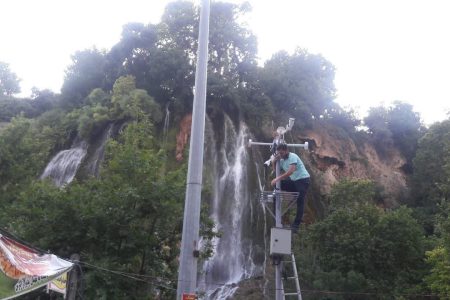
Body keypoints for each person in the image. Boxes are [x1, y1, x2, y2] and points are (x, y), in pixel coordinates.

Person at [271, 143, 310, 232]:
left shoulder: (292, 156)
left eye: (282, 153)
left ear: (286, 151)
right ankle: (275, 201)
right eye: (279, 153)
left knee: (300, 201)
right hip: (294, 182)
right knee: (276, 184)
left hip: (303, 180)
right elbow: (275, 170)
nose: (280, 155)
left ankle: (296, 225)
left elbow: (290, 171)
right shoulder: (282, 160)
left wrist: (277, 178)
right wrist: (274, 161)